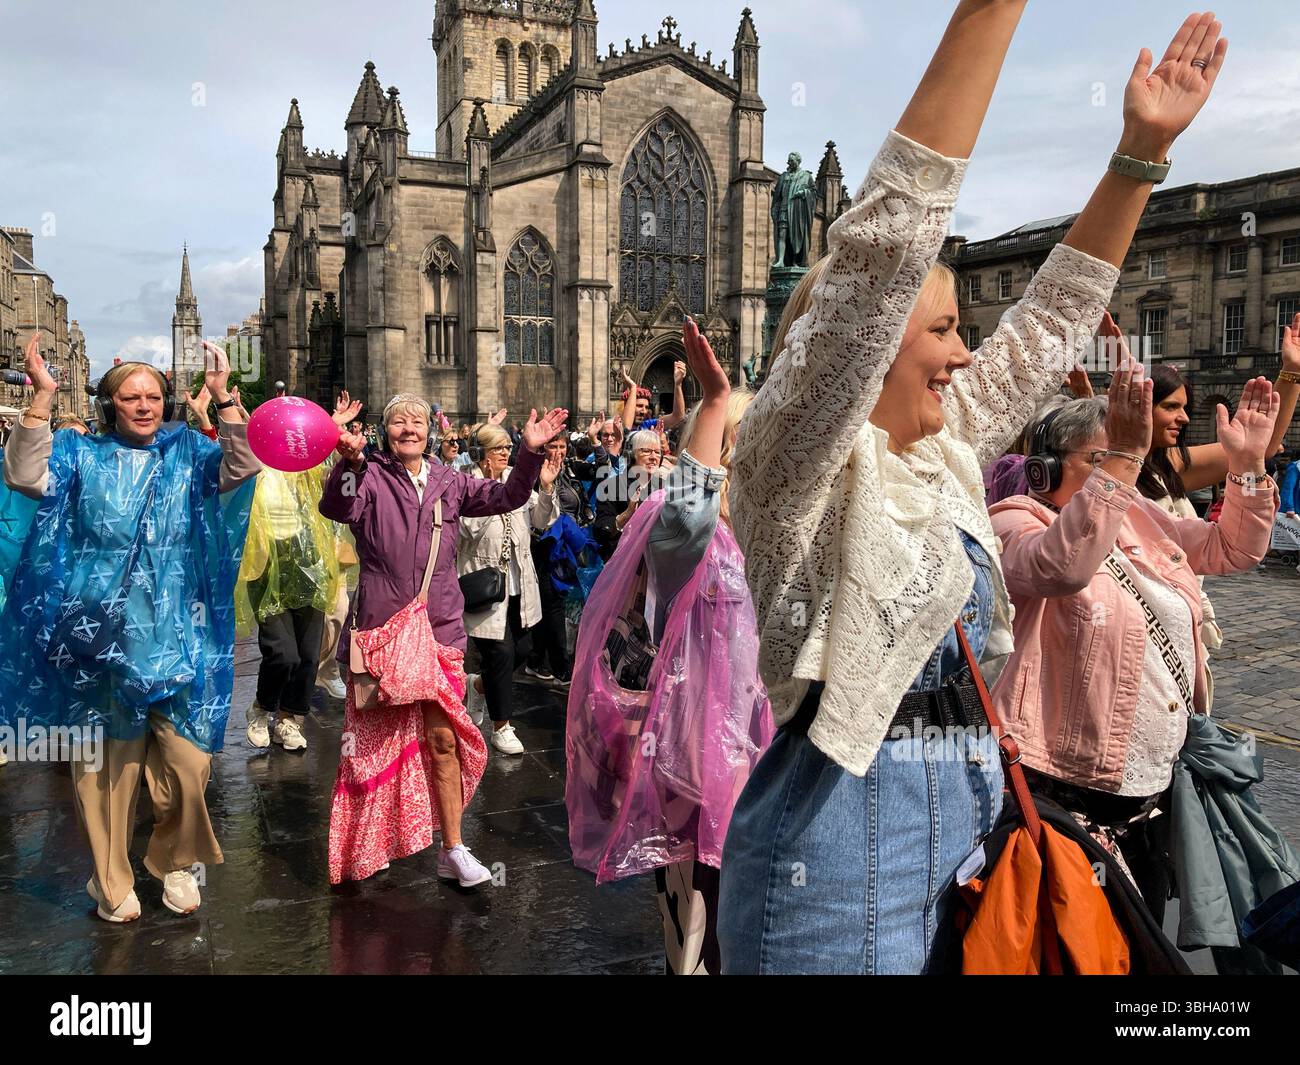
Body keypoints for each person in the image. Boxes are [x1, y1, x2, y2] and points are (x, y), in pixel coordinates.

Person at [717, 6, 1228, 973]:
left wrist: (1138, 153)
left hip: (958, 854)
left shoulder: (942, 451)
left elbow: (1050, 324)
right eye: (944, 329)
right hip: (831, 879)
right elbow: (882, 252)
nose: (966, 353)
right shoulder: (794, 467)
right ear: (865, 350)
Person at [989, 368, 1276, 915]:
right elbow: (1062, 566)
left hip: (1148, 794)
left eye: (1125, 461)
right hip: (1060, 788)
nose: (1118, 476)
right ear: (1043, 469)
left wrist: (1247, 468)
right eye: (1100, 460)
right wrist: (1122, 459)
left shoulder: (1136, 518)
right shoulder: (1013, 521)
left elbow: (1233, 550)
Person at [0, 335, 258, 920]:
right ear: (109, 405)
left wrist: (223, 401)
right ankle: (109, 880)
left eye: (153, 397)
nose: (144, 406)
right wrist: (41, 397)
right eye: (130, 398)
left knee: (188, 764)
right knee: (107, 767)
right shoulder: (79, 455)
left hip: (176, 631)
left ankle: (173, 861)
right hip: (100, 633)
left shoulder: (189, 452)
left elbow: (243, 465)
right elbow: (22, 475)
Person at [567, 316, 773, 975]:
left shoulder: (777, 531)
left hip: (768, 751)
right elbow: (688, 509)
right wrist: (712, 404)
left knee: (756, 924)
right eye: (751, 440)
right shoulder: (678, 527)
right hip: (695, 757)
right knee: (695, 937)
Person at [319, 393, 567, 885]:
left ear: (429, 431)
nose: (407, 428)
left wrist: (529, 452)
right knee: (372, 745)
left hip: (439, 628)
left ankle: (451, 847)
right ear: (384, 430)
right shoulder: (367, 473)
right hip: (383, 628)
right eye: (397, 422)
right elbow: (337, 507)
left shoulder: (448, 480)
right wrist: (347, 460)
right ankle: (365, 845)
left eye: (416, 421)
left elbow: (506, 498)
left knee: (442, 740)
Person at [458, 424, 562, 753]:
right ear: (482, 454)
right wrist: (493, 497)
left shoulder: (514, 484)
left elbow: (542, 521)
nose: (505, 453)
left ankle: (477, 684)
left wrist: (545, 488)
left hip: (518, 582)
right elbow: (468, 530)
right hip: (485, 583)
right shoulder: (467, 485)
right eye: (498, 448)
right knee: (500, 653)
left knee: (522, 650)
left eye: (508, 447)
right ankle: (501, 726)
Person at [593, 429, 666, 560]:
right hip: (622, 561)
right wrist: (627, 514)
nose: (653, 457)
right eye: (646, 451)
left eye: (657, 452)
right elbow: (600, 531)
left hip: (656, 563)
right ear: (631, 455)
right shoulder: (612, 485)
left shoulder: (665, 487)